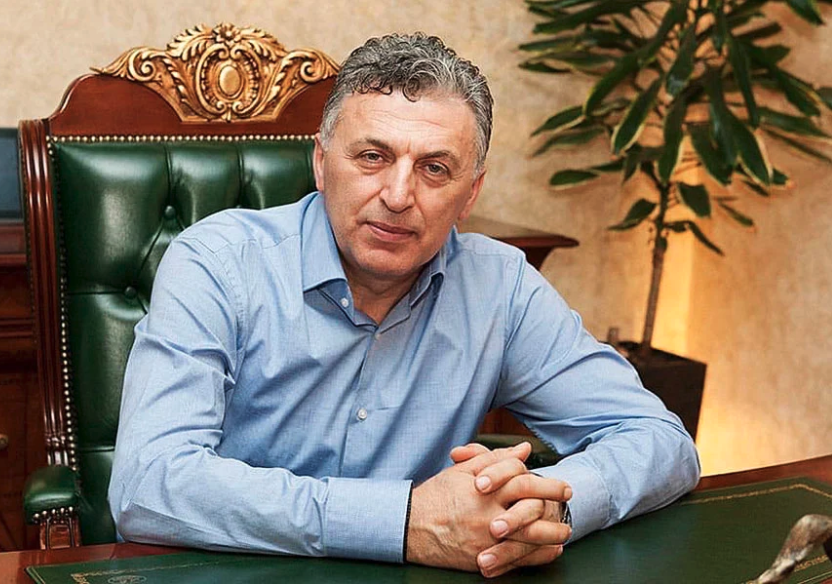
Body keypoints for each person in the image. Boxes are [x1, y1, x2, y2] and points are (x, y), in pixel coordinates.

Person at [108, 32, 700, 578]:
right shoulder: (218, 263)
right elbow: (147, 484)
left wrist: (544, 510)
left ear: (470, 193)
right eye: (372, 157)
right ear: (321, 163)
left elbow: (659, 440)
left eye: (434, 169)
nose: (397, 195)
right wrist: (404, 520)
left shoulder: (501, 287)